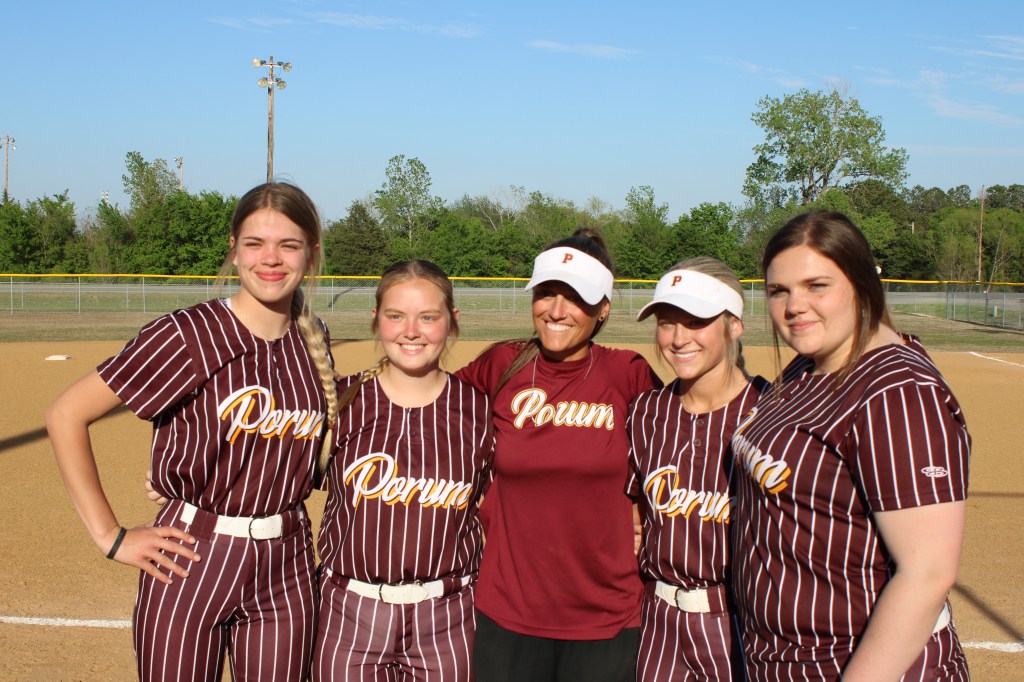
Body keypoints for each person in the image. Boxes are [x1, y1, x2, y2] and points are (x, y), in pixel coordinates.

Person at [46, 182, 338, 682]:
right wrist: (111, 536)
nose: (270, 259)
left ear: (311, 255)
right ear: (233, 248)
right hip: (191, 556)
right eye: (254, 244)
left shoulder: (312, 338)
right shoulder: (189, 333)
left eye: (288, 245)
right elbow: (66, 414)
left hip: (287, 560)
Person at [730, 210, 971, 680]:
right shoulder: (809, 365)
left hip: (851, 664)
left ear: (862, 283)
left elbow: (927, 574)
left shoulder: (898, 392)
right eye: (779, 290)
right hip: (784, 660)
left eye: (816, 285)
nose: (793, 305)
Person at [456, 228, 662, 682]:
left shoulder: (627, 374)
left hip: (606, 613)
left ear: (603, 308)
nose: (556, 310)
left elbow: (682, 446)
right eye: (546, 293)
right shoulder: (502, 364)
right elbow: (427, 407)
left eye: (575, 297)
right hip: (509, 608)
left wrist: (648, 517)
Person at [311, 259, 493, 681]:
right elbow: (269, 468)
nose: (411, 330)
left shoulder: (479, 410)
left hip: (448, 614)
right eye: (396, 316)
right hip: (349, 611)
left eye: (428, 317)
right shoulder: (339, 403)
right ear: (376, 320)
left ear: (452, 322)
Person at [627, 257, 768, 682]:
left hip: (741, 623)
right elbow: (635, 520)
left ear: (735, 325)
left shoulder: (773, 413)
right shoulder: (647, 411)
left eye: (695, 321)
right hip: (659, 623)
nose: (677, 338)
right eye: (667, 322)